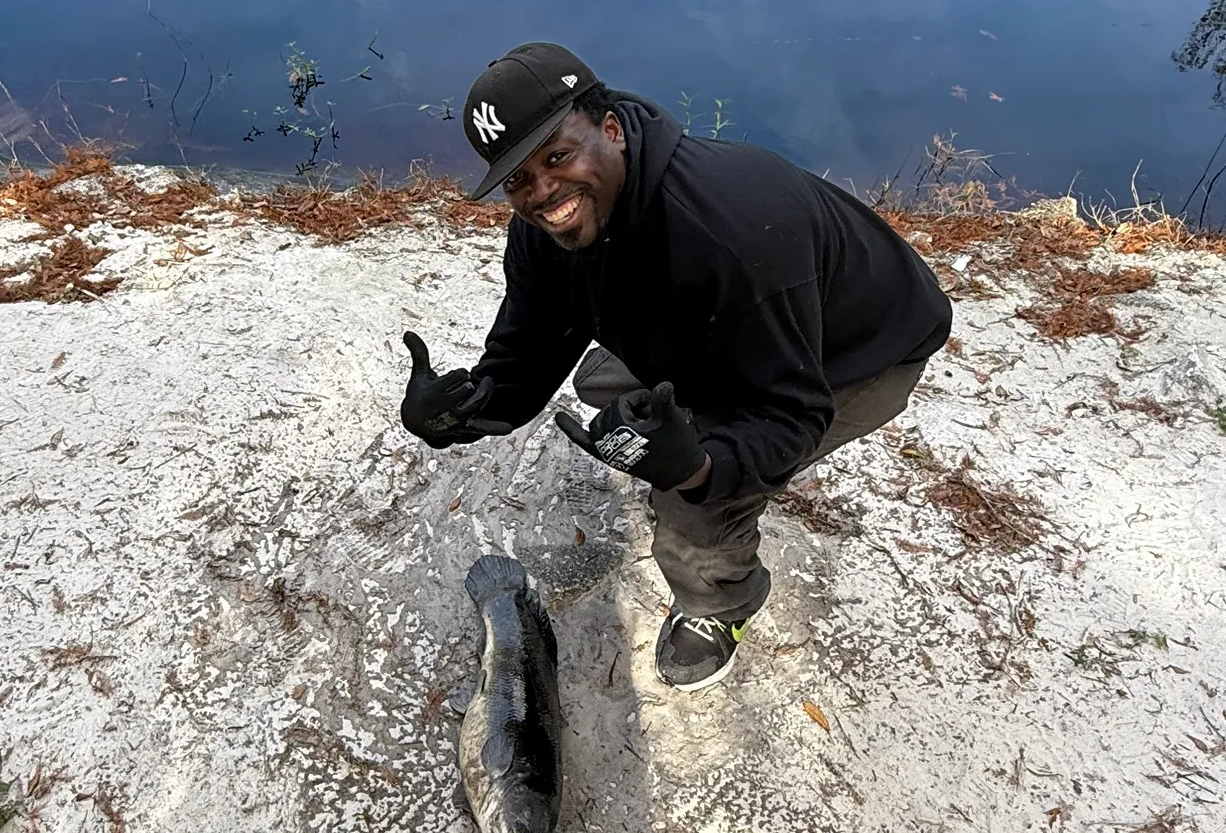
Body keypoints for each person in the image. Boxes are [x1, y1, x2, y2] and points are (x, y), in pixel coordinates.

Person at [399, 42, 952, 692]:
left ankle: (723, 603)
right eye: (518, 179)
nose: (543, 193)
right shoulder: (542, 233)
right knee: (602, 383)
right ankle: (693, 427)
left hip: (859, 351)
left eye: (557, 156)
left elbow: (791, 413)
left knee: (690, 509)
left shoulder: (729, 228)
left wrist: (696, 468)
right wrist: (464, 412)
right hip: (744, 324)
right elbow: (531, 345)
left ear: (610, 129)